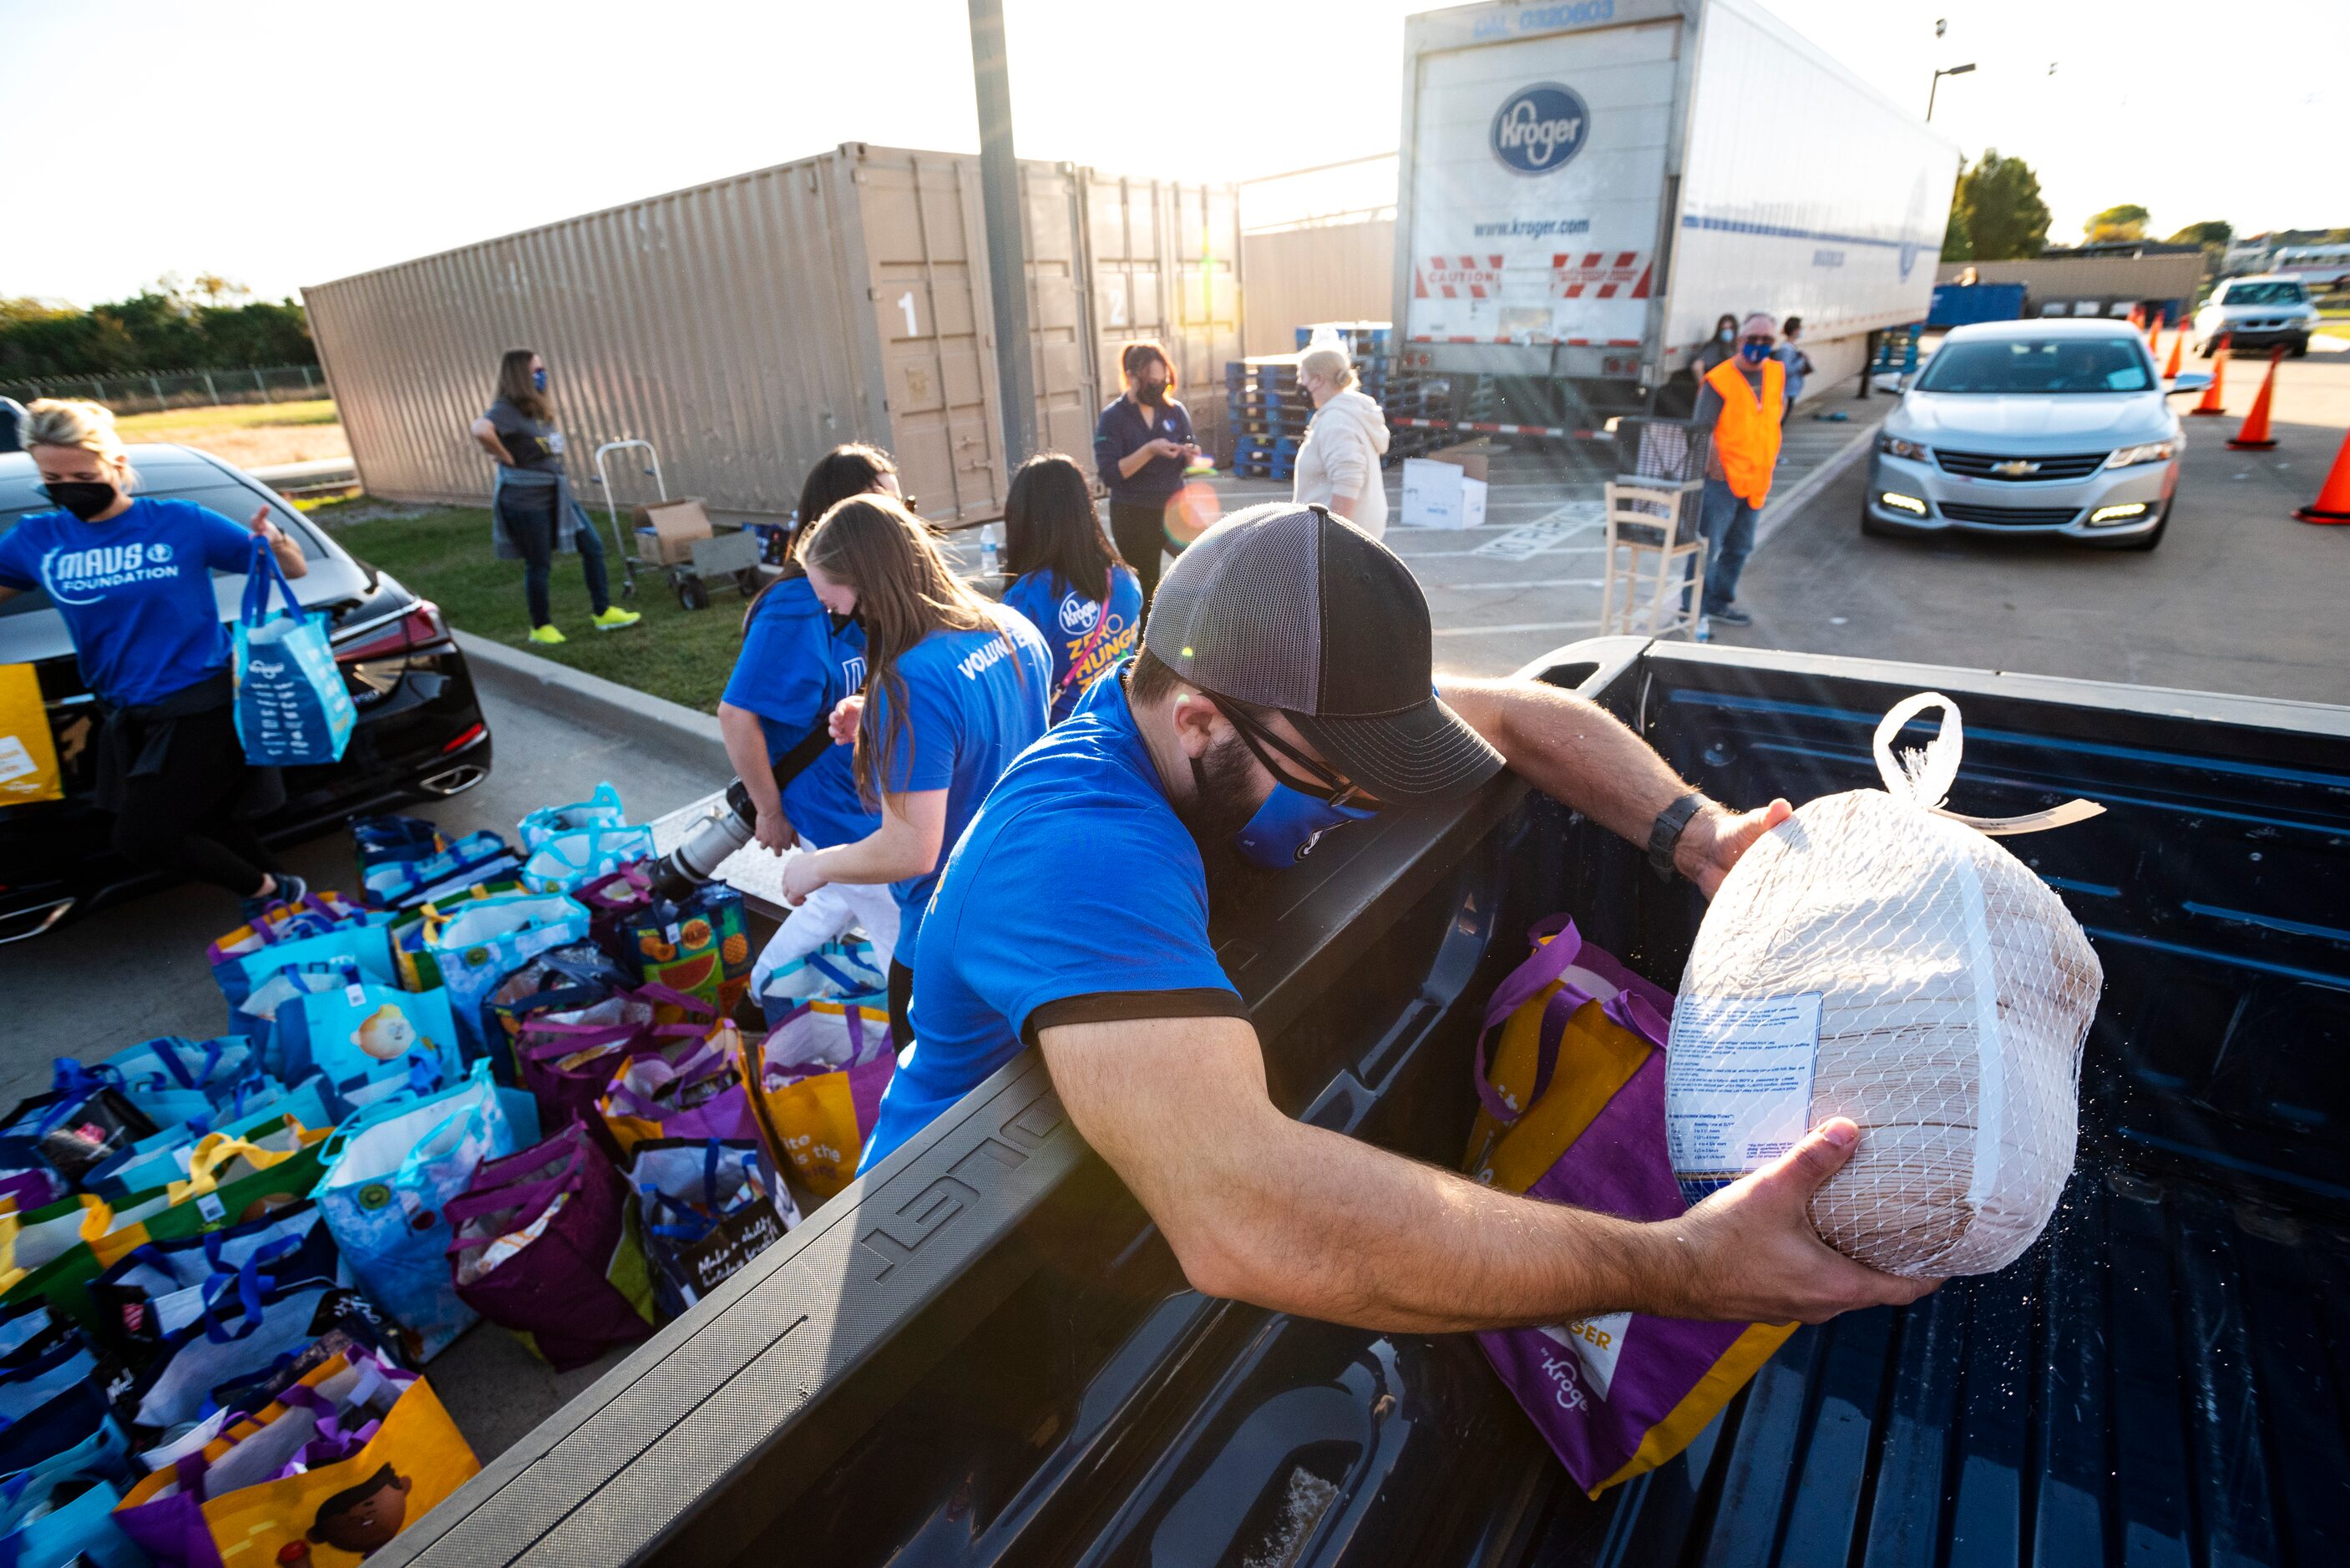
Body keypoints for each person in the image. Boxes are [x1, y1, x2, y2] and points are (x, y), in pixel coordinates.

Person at [858, 501, 1938, 1337]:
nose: (1362, 807)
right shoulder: (1074, 849)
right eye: (1340, 785)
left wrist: (1697, 836)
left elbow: (1516, 712)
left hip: (1102, 1222)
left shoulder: (1246, 716)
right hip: (945, 1295)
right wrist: (1689, 1266)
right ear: (1196, 719)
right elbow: (1246, 1212)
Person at [0, 399, 311, 911]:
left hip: (204, 703)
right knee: (211, 822)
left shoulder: (179, 522)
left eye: (82, 473)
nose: (67, 487)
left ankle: (273, 893)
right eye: (51, 478)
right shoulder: (37, 539)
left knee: (142, 837)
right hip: (128, 712)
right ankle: (294, 911)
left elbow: (292, 569)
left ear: (116, 465)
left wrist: (275, 541)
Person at [779, 494, 1051, 1048]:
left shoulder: (910, 686)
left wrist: (819, 866)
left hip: (947, 938)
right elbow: (985, 740)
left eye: (838, 609)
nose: (838, 622)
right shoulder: (1011, 625)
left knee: (937, 1121)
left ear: (871, 589)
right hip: (1027, 904)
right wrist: (882, 730)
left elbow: (910, 851)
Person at [722, 444, 904, 995]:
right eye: (889, 506)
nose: (903, 521)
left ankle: (759, 995)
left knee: (834, 899)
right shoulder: (799, 604)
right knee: (900, 924)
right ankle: (931, 1046)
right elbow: (736, 715)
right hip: (827, 803)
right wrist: (771, 812)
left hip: (858, 790)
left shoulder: (865, 592)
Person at [468, 347, 641, 645]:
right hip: (526, 498)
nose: (542, 375)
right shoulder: (506, 409)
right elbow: (481, 429)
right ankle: (541, 627)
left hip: (555, 494)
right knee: (539, 563)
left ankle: (603, 612)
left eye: (542, 370)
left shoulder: (537, 409)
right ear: (519, 376)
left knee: (593, 547)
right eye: (536, 371)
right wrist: (505, 456)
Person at [999, 453, 1142, 724]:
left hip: (1062, 743)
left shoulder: (1026, 599)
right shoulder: (1125, 580)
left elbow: (1011, 695)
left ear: (1022, 519)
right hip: (1120, 728)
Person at [1688, 313, 1785, 628]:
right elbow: (1703, 431)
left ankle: (1718, 602)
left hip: (1757, 480)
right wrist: (1716, 470)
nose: (1758, 346)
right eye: (1752, 339)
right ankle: (1694, 612)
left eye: (1765, 340)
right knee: (1707, 548)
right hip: (1723, 482)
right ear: (1740, 341)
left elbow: (1772, 418)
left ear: (1774, 342)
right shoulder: (1719, 380)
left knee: (1740, 548)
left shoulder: (1776, 373)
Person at [1091, 340, 1197, 610]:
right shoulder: (1113, 417)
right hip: (1134, 513)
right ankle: (1145, 646)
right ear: (1131, 378)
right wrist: (1149, 450)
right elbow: (1111, 474)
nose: (1158, 388)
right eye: (1151, 382)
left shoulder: (1175, 410)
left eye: (1163, 381)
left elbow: (1192, 463)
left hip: (1174, 508)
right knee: (1146, 588)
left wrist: (1192, 456)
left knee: (1201, 568)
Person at [1289, 342, 1392, 538]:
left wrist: (1331, 540)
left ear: (1318, 380)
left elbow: (1348, 480)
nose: (1300, 384)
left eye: (1303, 377)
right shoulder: (1344, 413)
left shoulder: (1337, 421)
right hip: (1352, 540)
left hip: (1339, 545)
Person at [1775, 316, 1813, 425]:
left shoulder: (1790, 347)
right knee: (1781, 421)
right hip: (1787, 390)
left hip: (1791, 389)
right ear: (1795, 330)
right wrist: (1801, 361)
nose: (1801, 331)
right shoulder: (1786, 349)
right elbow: (1785, 370)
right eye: (1800, 328)